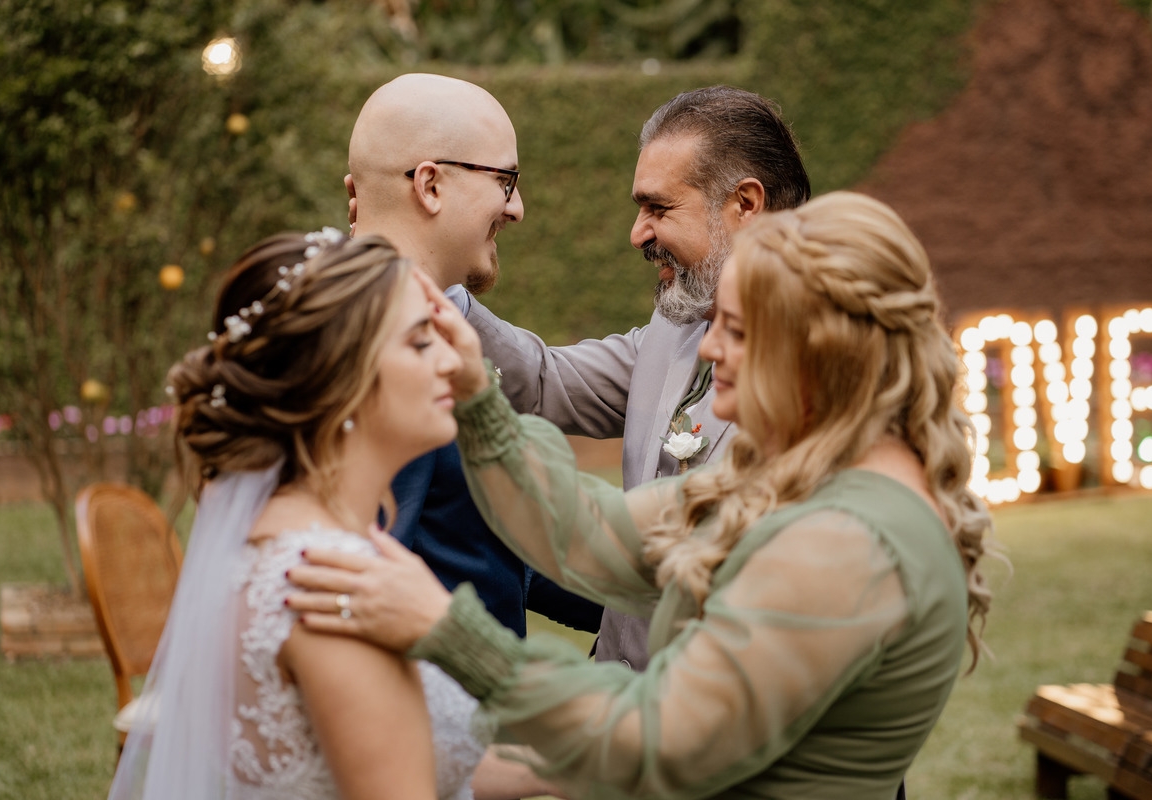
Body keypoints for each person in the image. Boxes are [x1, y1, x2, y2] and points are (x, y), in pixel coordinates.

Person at [287, 192, 994, 799]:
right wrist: (478, 396)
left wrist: (448, 630)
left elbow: (659, 739)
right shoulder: (798, 479)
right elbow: (591, 534)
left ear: (822, 352)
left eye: (737, 330)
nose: (709, 349)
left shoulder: (847, 542)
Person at [108, 231, 560, 800]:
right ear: (338, 381)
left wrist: (567, 764)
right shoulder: (339, 587)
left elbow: (400, 755)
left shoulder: (272, 544)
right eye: (422, 342)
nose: (454, 358)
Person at [459, 85, 811, 669]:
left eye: (659, 208)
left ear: (745, 204)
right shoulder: (677, 327)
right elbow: (548, 381)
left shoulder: (836, 371)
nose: (637, 233)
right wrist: (443, 302)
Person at [347, 72, 602, 638]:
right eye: (506, 180)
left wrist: (640, 611)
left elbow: (470, 540)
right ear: (430, 185)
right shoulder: (388, 345)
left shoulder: (427, 323)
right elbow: (370, 564)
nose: (517, 208)